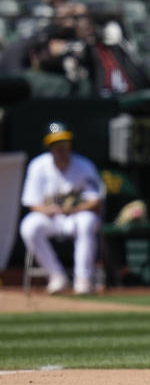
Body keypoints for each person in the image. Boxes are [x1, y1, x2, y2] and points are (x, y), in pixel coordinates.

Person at [19, 121, 103, 295]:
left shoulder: (84, 165)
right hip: (50, 217)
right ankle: (56, 276)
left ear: (71, 146)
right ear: (50, 147)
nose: (60, 149)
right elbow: (31, 203)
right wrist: (47, 210)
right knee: (29, 227)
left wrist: (74, 209)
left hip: (75, 216)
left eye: (64, 145)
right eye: (56, 145)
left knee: (86, 222)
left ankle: (83, 279)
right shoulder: (38, 166)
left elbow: (96, 201)